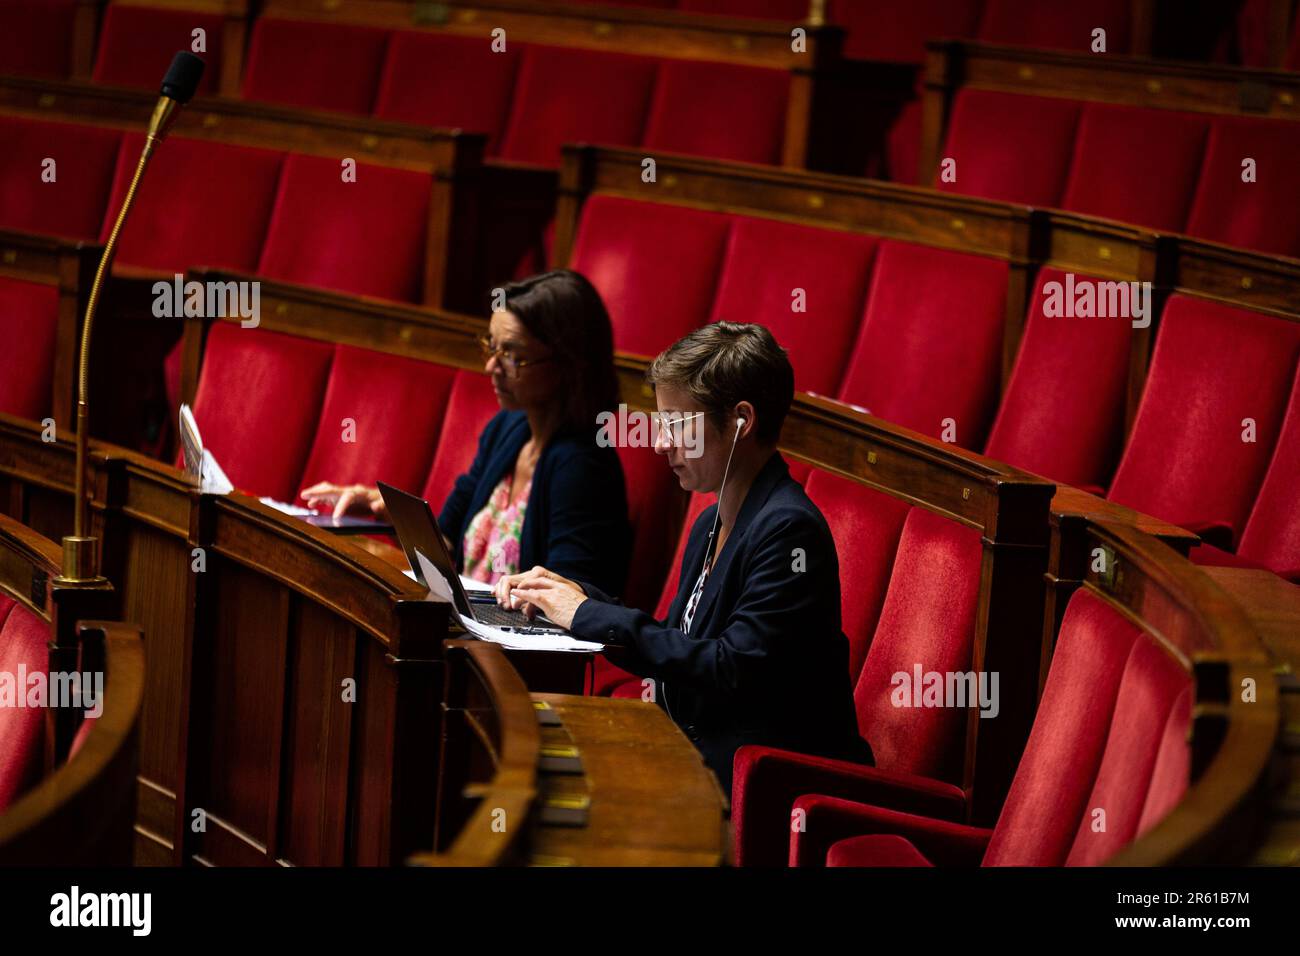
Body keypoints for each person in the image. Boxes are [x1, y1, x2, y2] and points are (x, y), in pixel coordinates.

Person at [494, 322, 870, 793]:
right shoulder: (707, 525)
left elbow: (727, 669)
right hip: (701, 765)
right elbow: (678, 644)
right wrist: (572, 598)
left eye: (677, 425)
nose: (660, 443)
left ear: (741, 421)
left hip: (770, 793)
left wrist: (588, 615)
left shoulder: (790, 531)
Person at [301, 269, 630, 595]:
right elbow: (445, 540)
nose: (491, 368)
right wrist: (386, 508)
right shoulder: (507, 430)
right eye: (492, 347)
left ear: (569, 366)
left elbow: (567, 600)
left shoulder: (583, 467)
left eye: (513, 356)